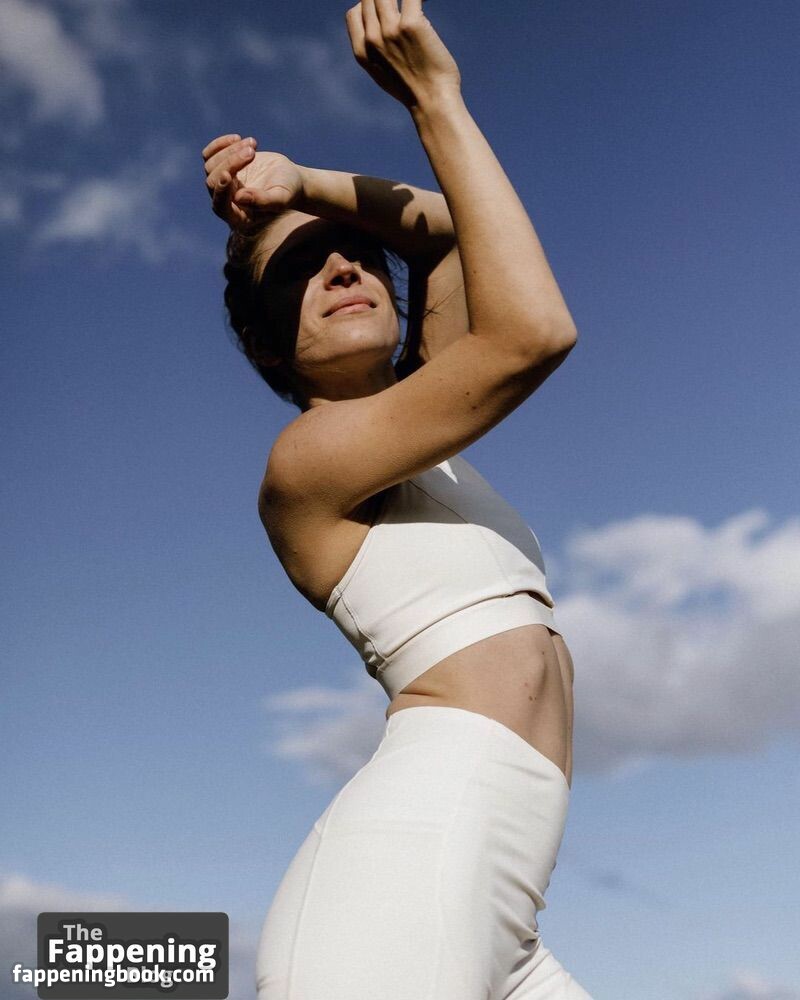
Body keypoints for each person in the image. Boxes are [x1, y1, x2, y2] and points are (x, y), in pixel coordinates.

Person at [203, 1, 591, 996]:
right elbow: (533, 331)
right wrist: (433, 98)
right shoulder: (307, 463)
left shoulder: (424, 442)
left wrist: (302, 184)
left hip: (502, 897)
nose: (342, 263)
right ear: (270, 347)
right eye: (299, 268)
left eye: (355, 252)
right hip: (409, 864)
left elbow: (452, 233)